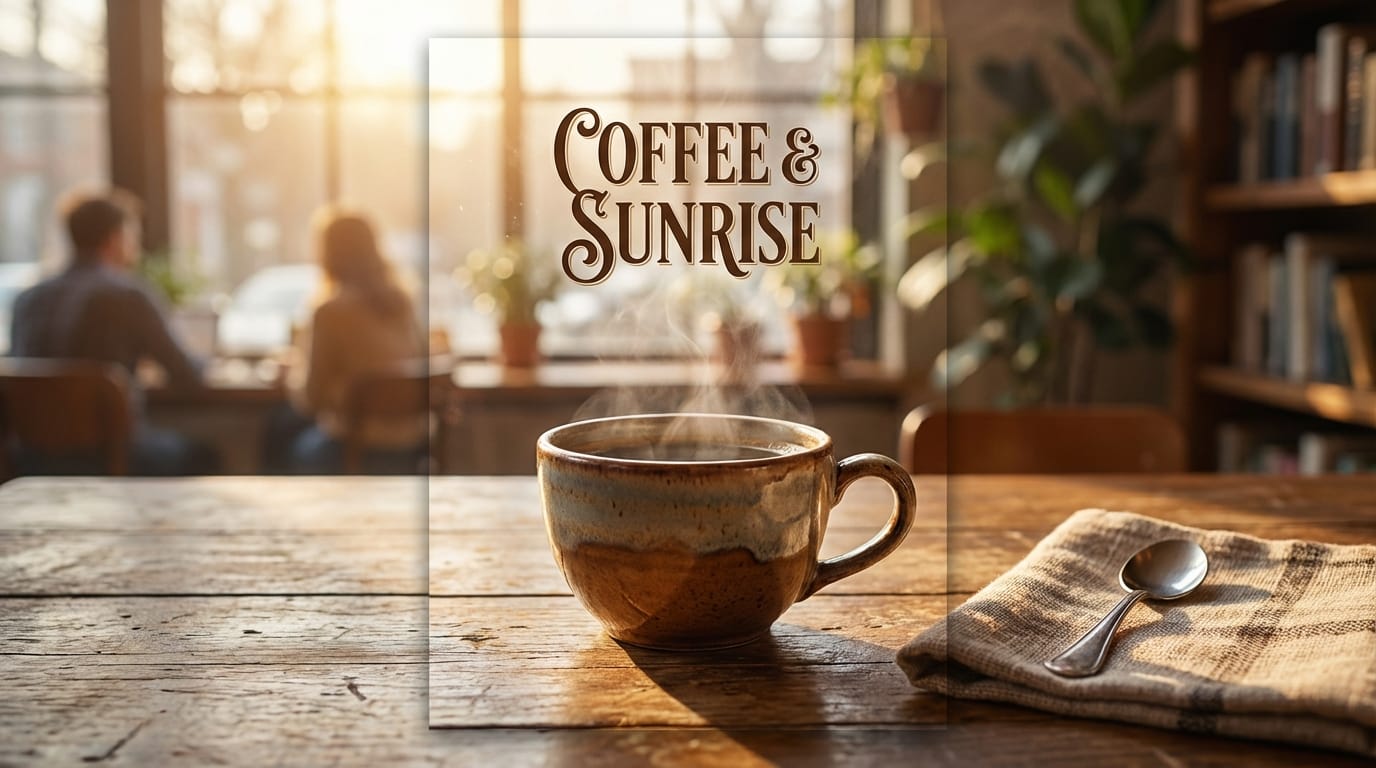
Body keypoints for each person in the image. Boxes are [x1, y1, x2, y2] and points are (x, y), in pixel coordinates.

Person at [8, 189, 218, 475]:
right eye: (132, 235)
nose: (136, 246)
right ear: (115, 238)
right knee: (205, 455)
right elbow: (186, 375)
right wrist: (209, 362)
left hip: (30, 458)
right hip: (110, 455)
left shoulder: (28, 299)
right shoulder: (127, 296)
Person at [269, 206, 425, 474]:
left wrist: (292, 375)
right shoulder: (402, 303)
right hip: (414, 443)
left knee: (276, 434)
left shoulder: (330, 312)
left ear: (327, 255)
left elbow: (310, 400)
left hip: (358, 446)